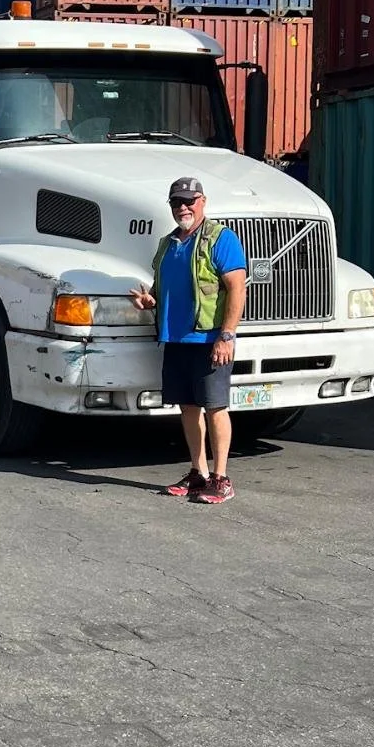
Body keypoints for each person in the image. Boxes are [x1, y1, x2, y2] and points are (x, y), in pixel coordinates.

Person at [131, 177, 247, 505]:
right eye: (176, 202)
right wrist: (150, 301)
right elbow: (163, 287)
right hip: (176, 338)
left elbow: (237, 288)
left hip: (208, 338)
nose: (182, 207)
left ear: (203, 201)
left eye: (189, 201)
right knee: (188, 407)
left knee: (216, 406)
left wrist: (226, 336)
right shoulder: (168, 243)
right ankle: (198, 473)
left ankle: (221, 478)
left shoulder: (220, 239)